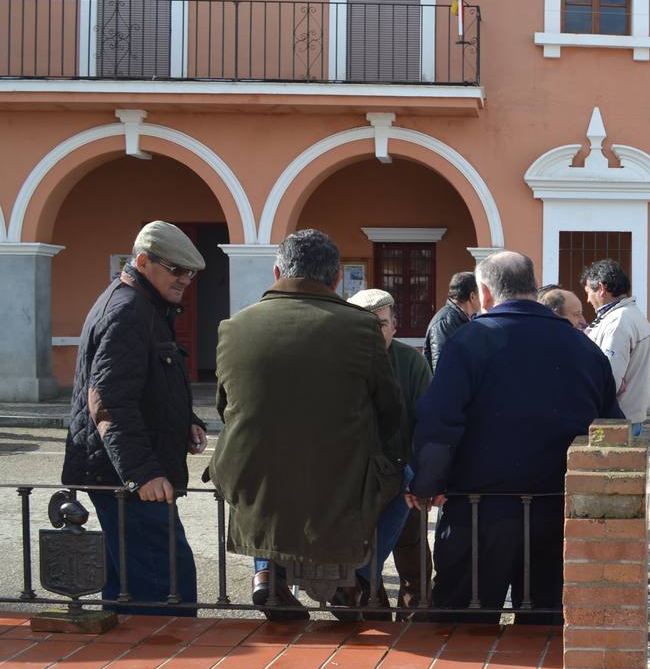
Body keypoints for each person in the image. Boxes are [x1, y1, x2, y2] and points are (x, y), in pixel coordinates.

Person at [410, 251, 622, 623]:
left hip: (479, 510)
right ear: (533, 286)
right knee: (547, 629)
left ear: (484, 293)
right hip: (559, 510)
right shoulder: (584, 349)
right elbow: (610, 430)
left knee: (462, 629)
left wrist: (427, 484)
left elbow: (439, 422)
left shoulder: (469, 342)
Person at [211, 230, 404, 620]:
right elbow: (391, 410)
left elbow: (224, 407)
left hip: (254, 481)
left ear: (277, 272)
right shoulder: (360, 328)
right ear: (337, 278)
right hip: (338, 482)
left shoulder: (234, 327)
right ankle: (355, 577)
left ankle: (267, 574)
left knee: (266, 470)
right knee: (402, 482)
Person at [62, 222, 207, 616]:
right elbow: (108, 401)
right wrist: (143, 474)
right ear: (142, 262)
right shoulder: (128, 311)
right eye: (176, 269)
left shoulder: (144, 306)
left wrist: (187, 420)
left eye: (190, 272)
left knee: (130, 590)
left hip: (123, 479)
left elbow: (147, 385)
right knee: (165, 590)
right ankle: (166, 655)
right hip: (128, 483)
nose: (185, 279)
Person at [348, 289, 434, 614]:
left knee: (414, 560)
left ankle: (416, 622)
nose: (373, 332)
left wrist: (423, 475)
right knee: (364, 564)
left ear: (394, 325)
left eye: (381, 324)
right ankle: (376, 619)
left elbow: (427, 421)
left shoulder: (410, 362)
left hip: (403, 477)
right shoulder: (342, 363)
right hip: (357, 484)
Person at [582, 259, 650, 435]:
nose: (588, 299)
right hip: (624, 418)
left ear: (601, 288)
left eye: (588, 292)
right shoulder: (626, 316)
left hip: (614, 422)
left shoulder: (619, 322)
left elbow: (609, 380)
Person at [424, 271, 480, 373]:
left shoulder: (472, 319)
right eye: (480, 293)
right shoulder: (444, 323)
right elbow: (443, 369)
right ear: (472, 296)